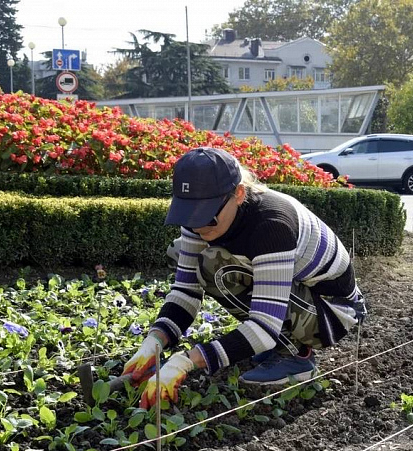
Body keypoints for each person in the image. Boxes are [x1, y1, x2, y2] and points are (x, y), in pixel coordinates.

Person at [122, 147, 366, 408]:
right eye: (189, 213)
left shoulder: (271, 224)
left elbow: (263, 326)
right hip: (300, 299)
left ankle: (298, 355)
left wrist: (186, 361)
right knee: (208, 265)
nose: (198, 225)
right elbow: (186, 292)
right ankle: (281, 346)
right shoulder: (199, 220)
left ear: (238, 193)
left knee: (219, 269)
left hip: (331, 311)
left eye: (207, 215)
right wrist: (154, 342)